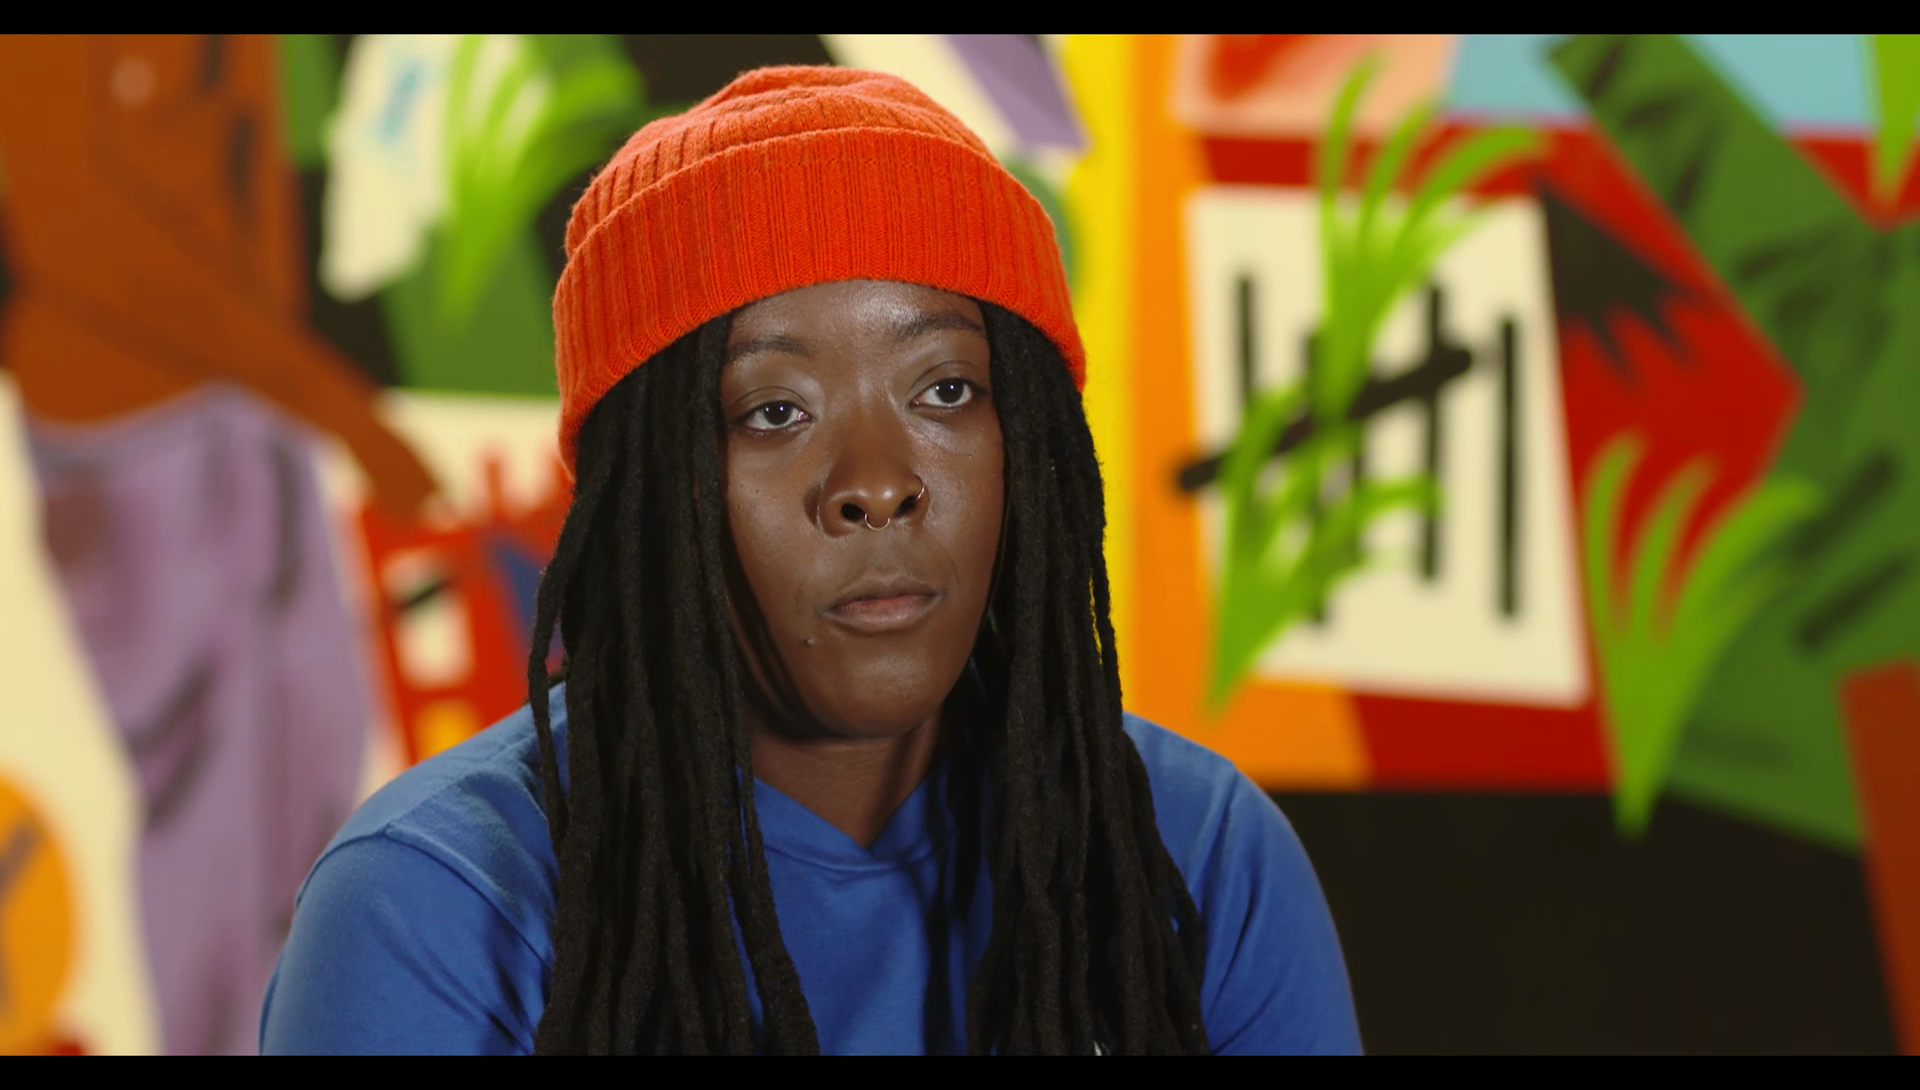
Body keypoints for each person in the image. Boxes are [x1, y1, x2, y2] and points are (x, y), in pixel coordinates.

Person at [259, 65, 1362, 1056]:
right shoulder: (431, 907)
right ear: (648, 492)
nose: (877, 482)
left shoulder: (1195, 856)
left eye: (946, 390)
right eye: (774, 409)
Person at [0, 34, 438, 1055]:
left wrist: (301, 404)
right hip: (131, 438)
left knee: (324, 796)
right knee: (212, 832)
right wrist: (340, 409)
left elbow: (240, 183)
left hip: (253, 414)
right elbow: (82, 227)